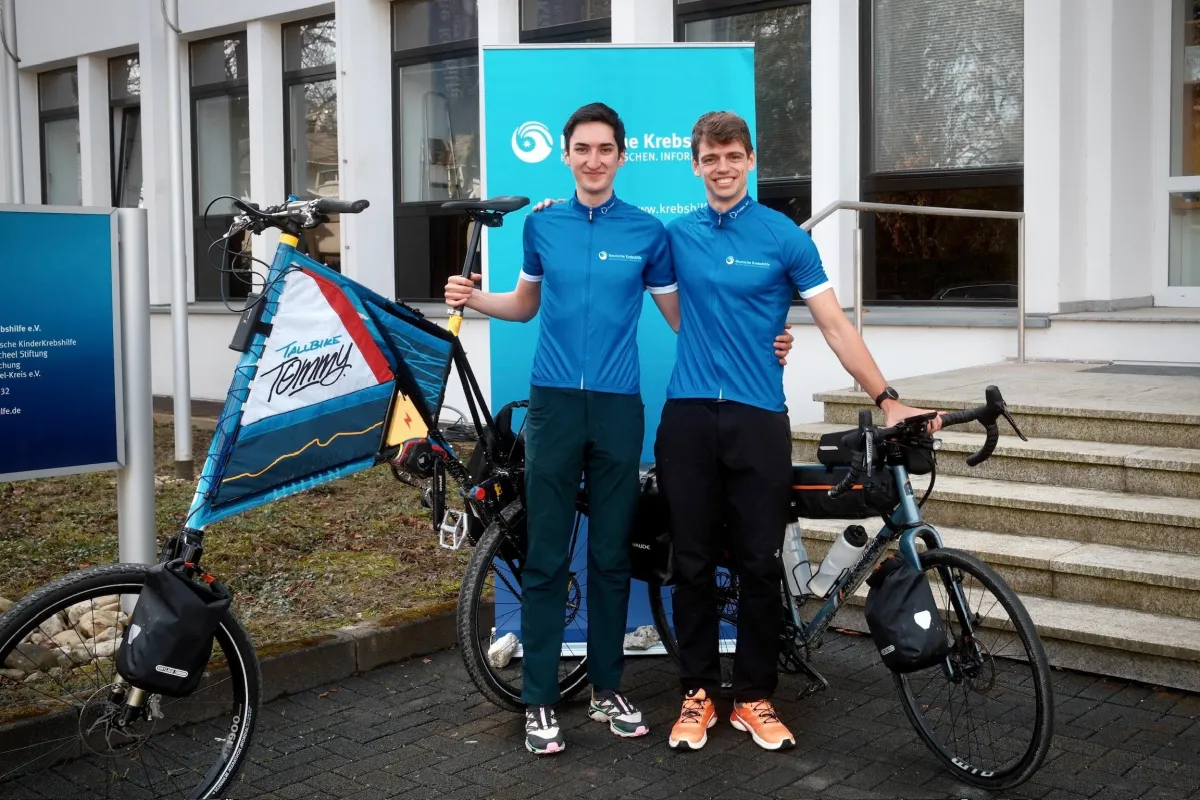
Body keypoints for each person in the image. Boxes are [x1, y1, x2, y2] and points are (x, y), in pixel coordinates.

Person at [443, 102, 795, 756]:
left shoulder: (647, 233)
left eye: (606, 149)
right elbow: (523, 306)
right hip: (553, 406)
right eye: (583, 148)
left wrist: (766, 338)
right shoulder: (541, 226)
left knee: (610, 557)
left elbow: (688, 318)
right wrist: (475, 300)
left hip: (617, 408)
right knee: (547, 555)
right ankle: (541, 700)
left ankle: (608, 690)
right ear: (567, 154)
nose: (594, 159)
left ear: (622, 156)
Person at [658, 111, 942, 753]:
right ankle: (697, 694)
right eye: (711, 158)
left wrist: (887, 398)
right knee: (695, 563)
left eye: (734, 156)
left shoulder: (785, 237)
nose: (723, 167)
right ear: (695, 164)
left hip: (759, 417)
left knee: (759, 563)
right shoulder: (676, 237)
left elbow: (837, 327)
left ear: (750, 160)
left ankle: (754, 697)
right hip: (689, 416)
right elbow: (677, 314)